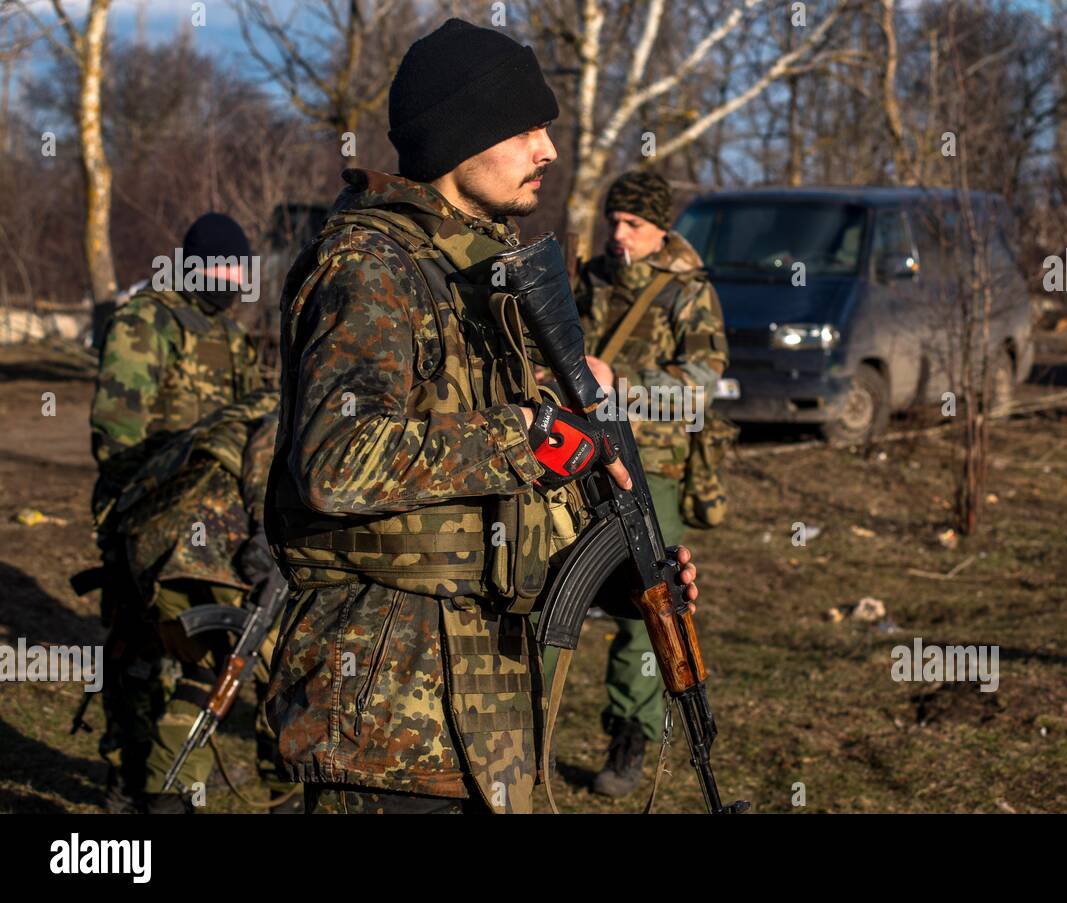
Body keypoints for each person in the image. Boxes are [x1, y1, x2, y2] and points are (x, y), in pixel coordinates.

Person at [263, 18, 699, 815]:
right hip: (386, 714)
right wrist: (529, 436)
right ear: (462, 135)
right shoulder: (371, 267)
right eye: (527, 127)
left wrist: (621, 574)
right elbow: (336, 459)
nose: (549, 150)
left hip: (483, 706)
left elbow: (490, 499)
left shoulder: (470, 272)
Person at [89, 213, 263, 810]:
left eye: (237, 269)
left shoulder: (234, 339)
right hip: (144, 513)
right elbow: (117, 435)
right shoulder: (148, 320)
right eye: (218, 266)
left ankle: (163, 782)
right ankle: (127, 774)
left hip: (209, 524)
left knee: (184, 653)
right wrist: (123, 521)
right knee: (136, 654)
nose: (229, 278)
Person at [570, 170, 728, 797]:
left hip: (651, 466)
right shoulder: (589, 282)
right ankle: (518, 729)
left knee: (647, 604)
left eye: (633, 223)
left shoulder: (690, 293)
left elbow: (699, 390)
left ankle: (631, 735)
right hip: (578, 460)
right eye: (614, 220)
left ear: (661, 229)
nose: (619, 233)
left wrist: (621, 384)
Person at [112, 389, 300, 813]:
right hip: (215, 550)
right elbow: (263, 462)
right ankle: (285, 799)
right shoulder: (289, 412)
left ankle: (167, 798)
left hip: (158, 550)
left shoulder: (241, 414)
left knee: (202, 678)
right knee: (280, 680)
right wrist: (264, 548)